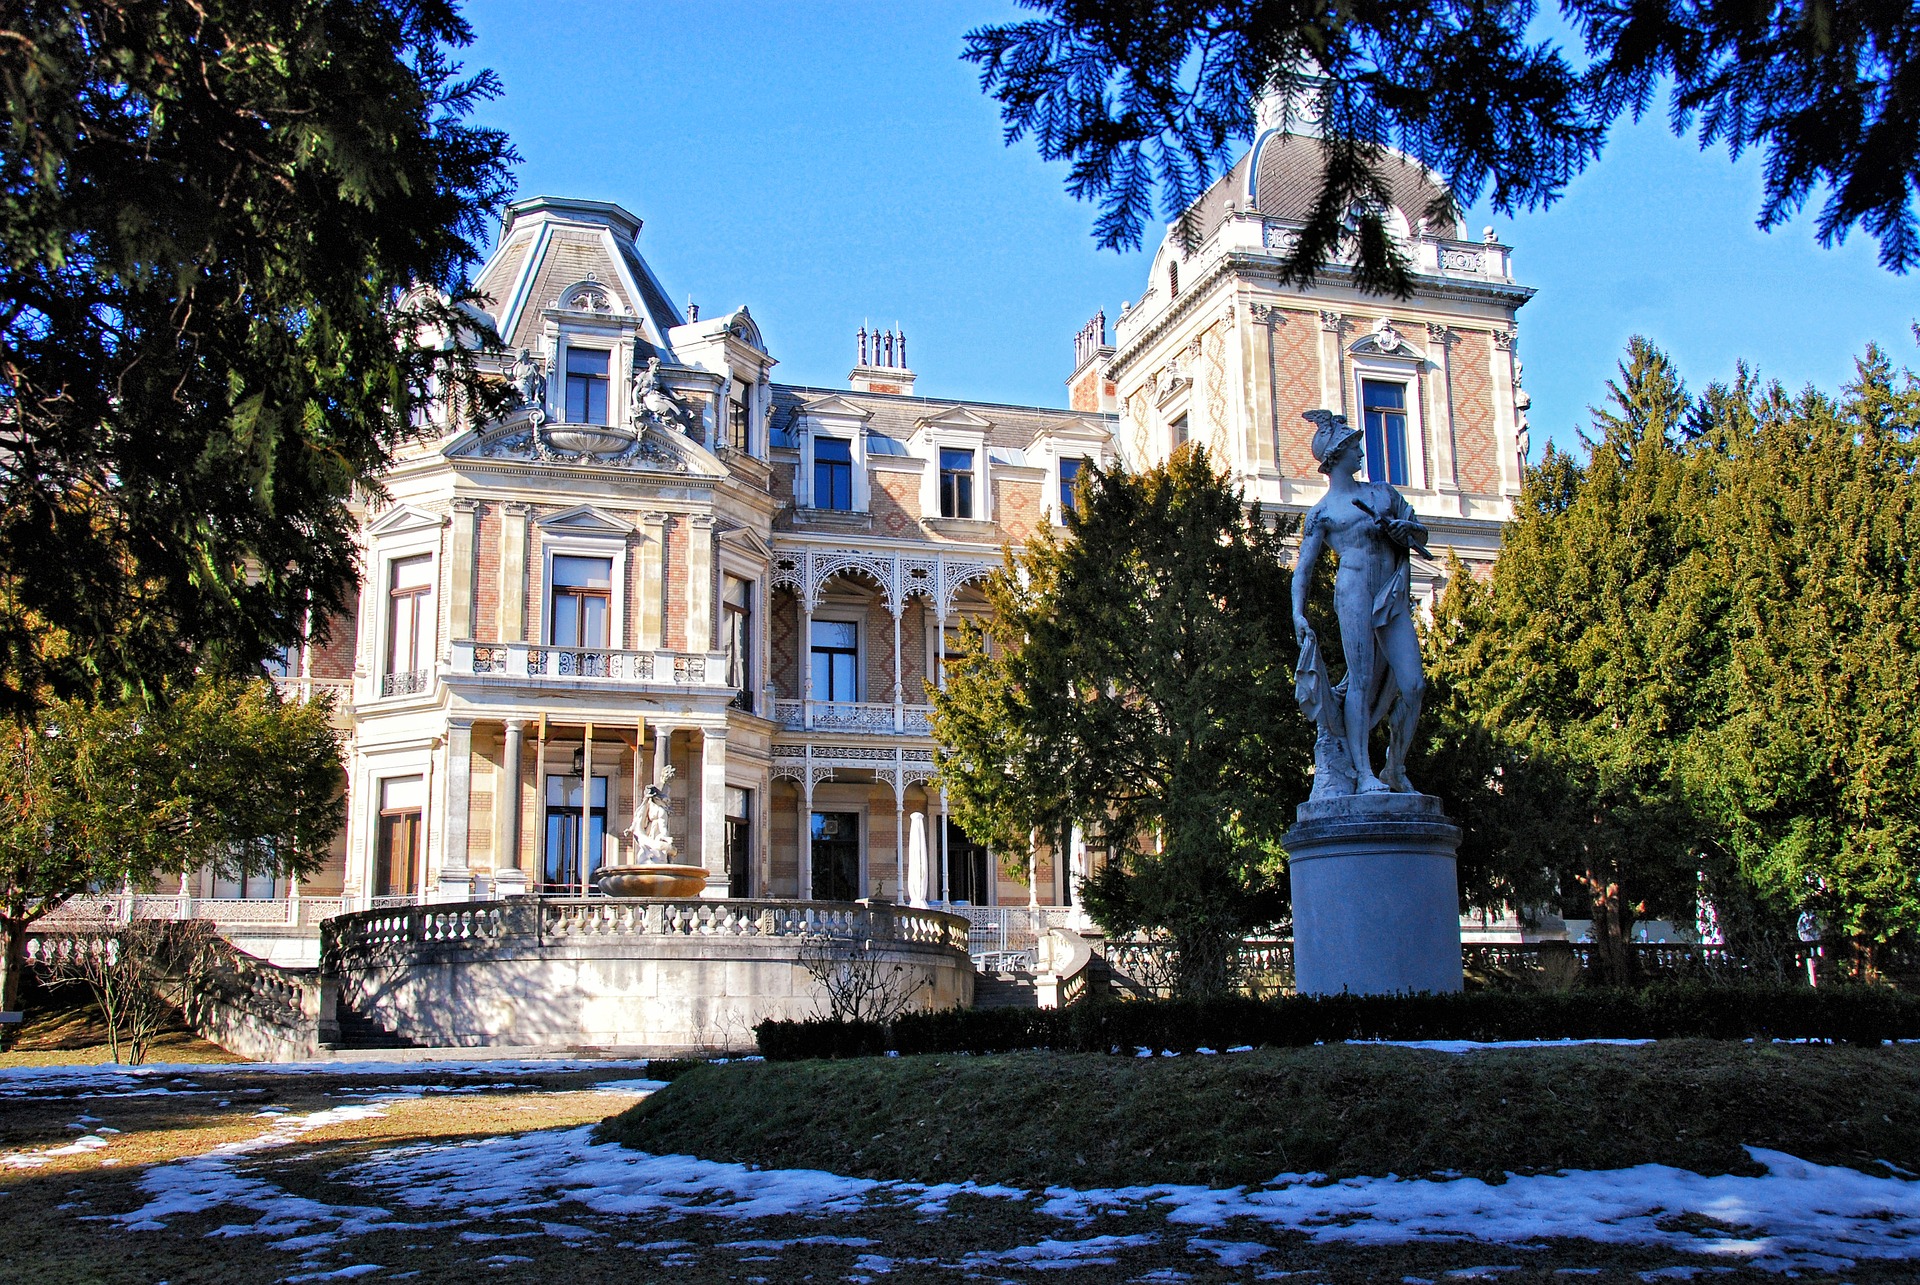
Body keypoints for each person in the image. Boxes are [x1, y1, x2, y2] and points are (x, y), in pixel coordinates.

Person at [1290, 409, 1429, 796]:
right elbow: (1303, 568)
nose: (1361, 453)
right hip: (1352, 592)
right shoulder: (1322, 513)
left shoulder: (1383, 493)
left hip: (1391, 594)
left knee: (1414, 684)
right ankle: (1364, 772)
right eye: (1354, 447)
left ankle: (1395, 767)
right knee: (1361, 682)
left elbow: (1419, 533)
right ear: (1336, 457)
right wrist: (1298, 613)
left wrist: (1406, 531)